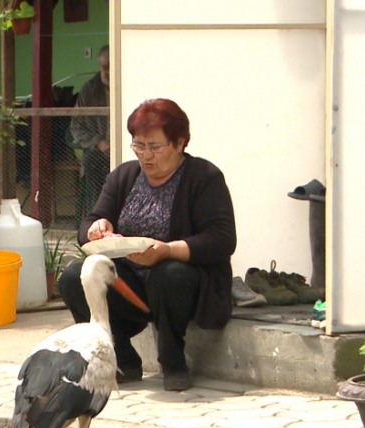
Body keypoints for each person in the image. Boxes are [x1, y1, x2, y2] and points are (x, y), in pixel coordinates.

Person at [57, 99, 236, 391]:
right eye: (139, 146)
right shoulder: (124, 176)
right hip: (131, 284)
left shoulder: (204, 177)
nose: (146, 156)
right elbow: (88, 223)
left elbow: (222, 238)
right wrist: (98, 228)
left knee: (169, 273)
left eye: (155, 147)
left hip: (183, 285)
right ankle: (121, 359)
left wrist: (167, 250)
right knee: (76, 276)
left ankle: (173, 362)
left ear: (179, 143)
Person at [69, 45, 111, 226]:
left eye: (111, 66)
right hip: (98, 152)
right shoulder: (89, 90)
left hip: (129, 150)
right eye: (104, 67)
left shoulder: (130, 84)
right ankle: (97, 219)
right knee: (91, 161)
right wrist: (98, 142)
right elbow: (76, 127)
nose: (108, 71)